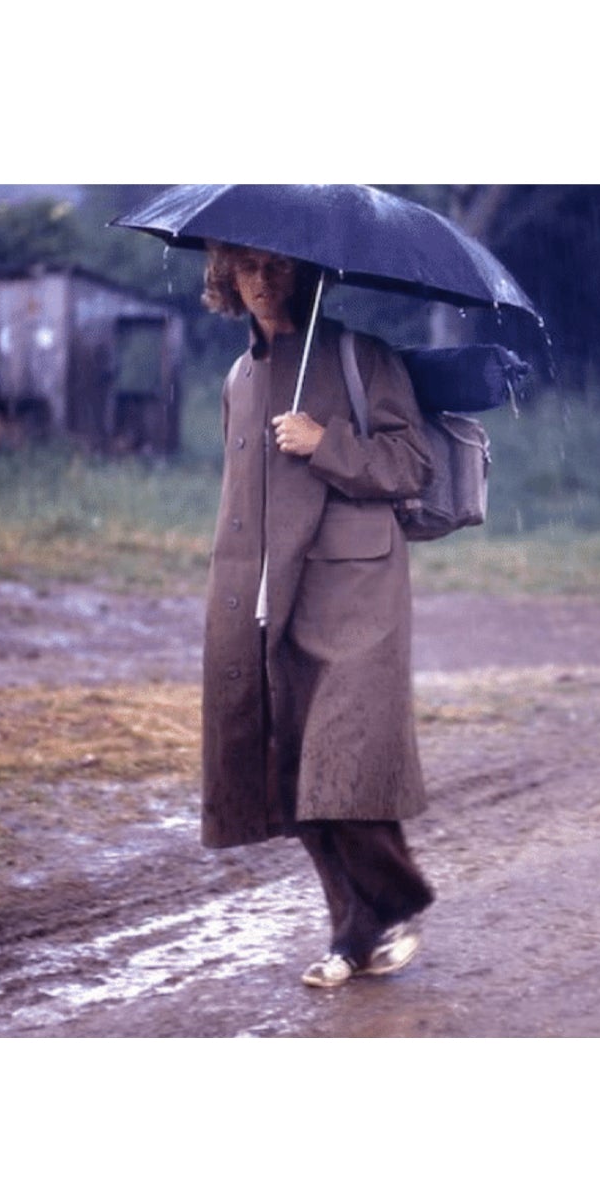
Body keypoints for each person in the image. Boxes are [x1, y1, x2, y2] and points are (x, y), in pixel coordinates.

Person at [197, 242, 438, 988]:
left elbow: (411, 465)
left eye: (275, 267)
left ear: (304, 271)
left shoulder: (363, 357)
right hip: (267, 593)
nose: (262, 283)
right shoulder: (238, 378)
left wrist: (324, 442)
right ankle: (354, 928)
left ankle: (389, 902)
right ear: (225, 277)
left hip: (356, 593)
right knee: (292, 766)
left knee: (346, 761)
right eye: (246, 269)